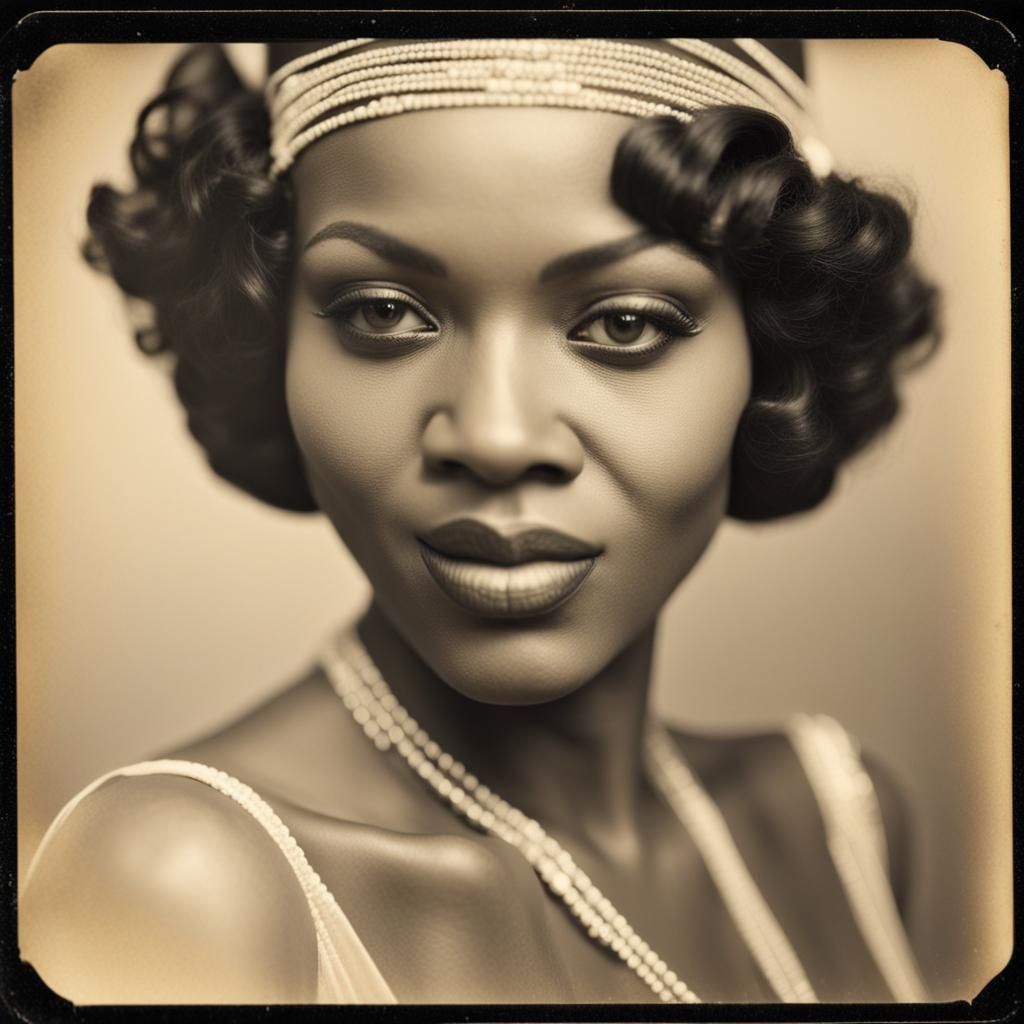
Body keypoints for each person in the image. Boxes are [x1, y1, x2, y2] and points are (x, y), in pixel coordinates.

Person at [19, 37, 939, 1005]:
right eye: (382, 312)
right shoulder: (179, 885)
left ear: (771, 345)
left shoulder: (841, 822)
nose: (495, 437)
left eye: (623, 322)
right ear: (270, 327)